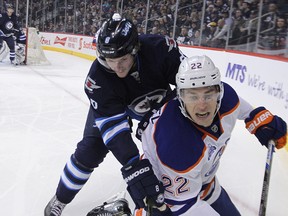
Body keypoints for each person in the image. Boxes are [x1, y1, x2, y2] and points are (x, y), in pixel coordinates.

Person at [44, 13, 186, 216]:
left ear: (135, 50)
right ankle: (61, 198)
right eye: (110, 60)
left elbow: (190, 86)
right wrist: (133, 164)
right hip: (118, 107)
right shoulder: (97, 79)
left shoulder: (160, 49)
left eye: (123, 59)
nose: (117, 67)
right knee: (90, 150)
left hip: (161, 105)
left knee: (177, 132)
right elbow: (114, 130)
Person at [137, 55, 287, 215]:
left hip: (205, 183)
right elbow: (185, 209)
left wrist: (256, 117)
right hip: (166, 201)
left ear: (219, 92)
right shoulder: (176, 144)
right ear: (180, 98)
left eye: (208, 95)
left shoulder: (227, 98)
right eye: (193, 96)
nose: (202, 105)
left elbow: (242, 108)